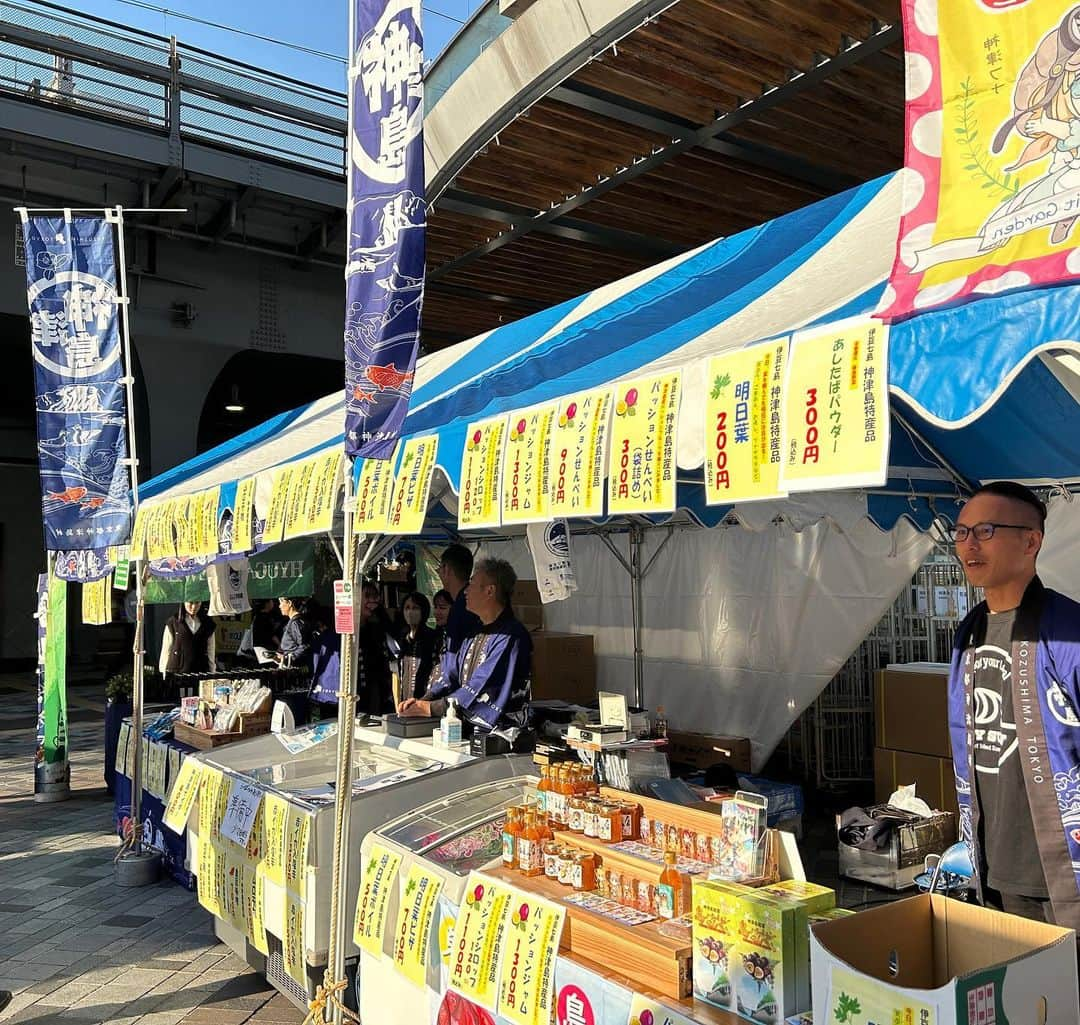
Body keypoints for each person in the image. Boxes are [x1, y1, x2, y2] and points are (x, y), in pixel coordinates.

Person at [947, 481, 1080, 931]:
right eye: (961, 532)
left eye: (985, 530)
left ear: (1031, 541)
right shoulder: (968, 635)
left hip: (1065, 868)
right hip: (995, 864)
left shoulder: (1068, 632)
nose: (969, 544)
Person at [399, 557, 531, 734]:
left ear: (490, 591)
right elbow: (451, 673)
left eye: (472, 584)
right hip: (464, 728)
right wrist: (425, 698)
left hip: (499, 734)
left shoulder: (510, 636)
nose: (466, 591)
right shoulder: (475, 631)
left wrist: (431, 708)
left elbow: (481, 685)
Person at [437, 543, 481, 658]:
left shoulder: (461, 607)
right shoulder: (475, 602)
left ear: (446, 569)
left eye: (440, 568)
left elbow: (454, 657)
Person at [358, 581, 394, 715]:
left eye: (375, 597)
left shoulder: (380, 626)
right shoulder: (346, 631)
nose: (372, 601)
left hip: (375, 691)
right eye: (367, 596)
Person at [159, 601, 216, 684]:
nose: (194, 607)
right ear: (183, 602)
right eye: (190, 603)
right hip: (177, 673)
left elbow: (211, 650)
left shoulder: (208, 624)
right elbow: (166, 649)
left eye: (197, 603)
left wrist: (212, 673)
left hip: (200, 672)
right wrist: (163, 671)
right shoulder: (173, 622)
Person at [398, 591, 438, 699]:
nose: (410, 612)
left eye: (415, 608)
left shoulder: (431, 636)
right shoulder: (403, 636)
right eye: (407, 608)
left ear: (423, 611)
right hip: (405, 696)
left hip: (424, 698)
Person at [276, 596, 313, 671]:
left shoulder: (296, 623)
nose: (279, 606)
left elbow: (304, 646)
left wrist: (289, 657)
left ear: (289, 603)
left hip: (295, 668)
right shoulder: (294, 622)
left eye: (281, 602)